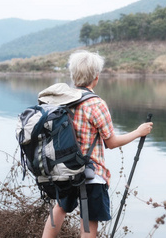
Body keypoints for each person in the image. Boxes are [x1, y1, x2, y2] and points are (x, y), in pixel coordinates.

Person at [42, 50, 153, 238]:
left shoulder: (62, 100)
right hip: (91, 174)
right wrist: (137, 132)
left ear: (73, 75)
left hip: (64, 170)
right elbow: (111, 142)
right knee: (89, 221)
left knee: (60, 207)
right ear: (96, 77)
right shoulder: (96, 104)